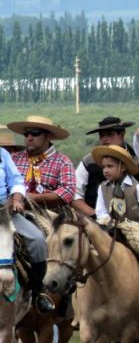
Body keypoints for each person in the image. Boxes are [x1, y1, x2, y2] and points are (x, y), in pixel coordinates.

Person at [6, 115, 76, 314]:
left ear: (47, 137)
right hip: (15, 210)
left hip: (50, 213)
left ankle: (51, 293)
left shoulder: (62, 161)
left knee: (57, 244)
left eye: (34, 134)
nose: (28, 138)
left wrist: (33, 199)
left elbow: (68, 192)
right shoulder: (15, 159)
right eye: (26, 134)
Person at [74, 117, 139, 216]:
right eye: (101, 135)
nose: (105, 139)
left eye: (110, 134)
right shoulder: (88, 161)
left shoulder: (137, 160)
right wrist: (95, 216)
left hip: (133, 220)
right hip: (95, 221)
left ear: (122, 135)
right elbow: (75, 193)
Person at [92, 145, 139, 232]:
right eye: (104, 167)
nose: (105, 170)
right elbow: (101, 211)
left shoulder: (137, 188)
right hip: (112, 231)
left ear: (122, 167)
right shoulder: (103, 188)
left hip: (136, 233)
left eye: (110, 166)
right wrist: (109, 223)